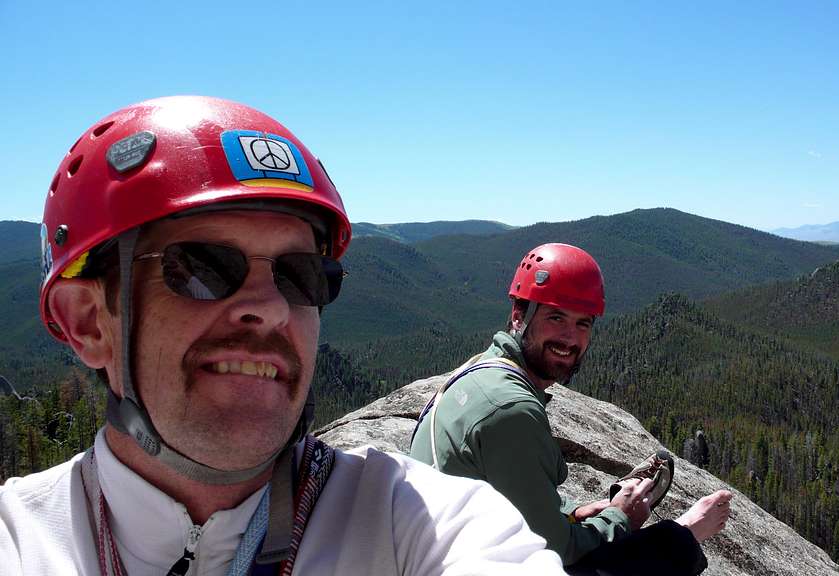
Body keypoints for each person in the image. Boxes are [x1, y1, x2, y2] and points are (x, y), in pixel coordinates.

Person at [0, 96, 565, 575]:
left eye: (302, 276)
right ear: (87, 321)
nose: (270, 307)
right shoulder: (20, 542)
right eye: (201, 268)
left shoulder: (416, 521)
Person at [409, 243, 732, 575]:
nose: (569, 337)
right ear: (519, 315)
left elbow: (505, 493)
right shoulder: (512, 409)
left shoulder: (478, 370)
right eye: (555, 317)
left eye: (583, 324)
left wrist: (574, 514)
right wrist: (621, 518)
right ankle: (688, 531)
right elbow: (554, 550)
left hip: (444, 553)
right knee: (665, 547)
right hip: (467, 562)